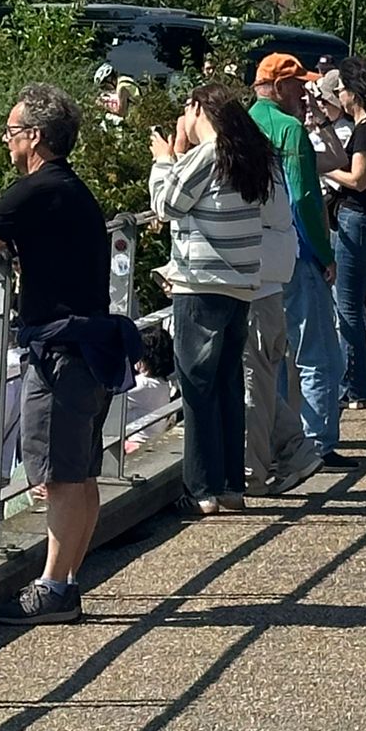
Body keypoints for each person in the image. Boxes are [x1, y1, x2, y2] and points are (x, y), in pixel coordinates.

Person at [0, 83, 135, 625]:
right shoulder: (58, 188)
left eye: (12, 132)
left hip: (61, 353)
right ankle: (65, 582)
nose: (6, 141)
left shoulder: (41, 189)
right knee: (82, 471)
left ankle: (52, 588)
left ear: (36, 137)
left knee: (63, 476)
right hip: (85, 347)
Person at [149, 83, 283, 516]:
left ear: (196, 108)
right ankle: (230, 485)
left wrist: (163, 160)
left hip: (201, 282)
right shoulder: (248, 154)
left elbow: (167, 203)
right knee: (226, 382)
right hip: (241, 282)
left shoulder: (208, 154)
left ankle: (200, 489)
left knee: (196, 384)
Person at [249, 55, 349, 466]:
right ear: (279, 86)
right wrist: (325, 254)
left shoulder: (243, 123)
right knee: (319, 352)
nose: (305, 93)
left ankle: (278, 442)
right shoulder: (289, 130)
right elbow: (304, 197)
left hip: (255, 255)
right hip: (297, 252)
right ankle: (318, 442)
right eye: (298, 85)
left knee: (271, 356)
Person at [315, 56, 366, 424]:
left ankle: (355, 386)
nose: (340, 96)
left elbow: (359, 178)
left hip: (356, 222)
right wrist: (325, 129)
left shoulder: (365, 131)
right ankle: (359, 381)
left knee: (345, 307)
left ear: (354, 92)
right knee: (357, 304)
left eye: (342, 90)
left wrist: (325, 167)